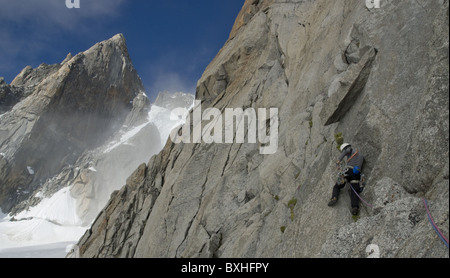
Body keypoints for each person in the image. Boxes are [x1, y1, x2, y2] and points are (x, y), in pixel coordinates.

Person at [328, 143, 364, 215]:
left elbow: (346, 151)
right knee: (354, 191)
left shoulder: (350, 150)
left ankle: (334, 197)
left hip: (348, 171)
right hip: (356, 174)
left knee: (337, 185)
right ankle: (354, 207)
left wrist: (338, 161)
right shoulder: (360, 155)